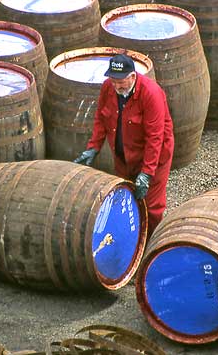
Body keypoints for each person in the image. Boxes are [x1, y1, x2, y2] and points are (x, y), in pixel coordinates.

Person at [74, 54, 174, 236]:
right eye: (113, 80)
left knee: (152, 206)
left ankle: (149, 243)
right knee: (126, 197)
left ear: (133, 76)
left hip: (154, 157)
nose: (116, 86)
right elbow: (101, 118)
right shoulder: (108, 88)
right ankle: (129, 242)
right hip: (124, 155)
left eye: (120, 81)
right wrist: (93, 147)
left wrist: (147, 173)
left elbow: (155, 137)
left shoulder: (151, 93)